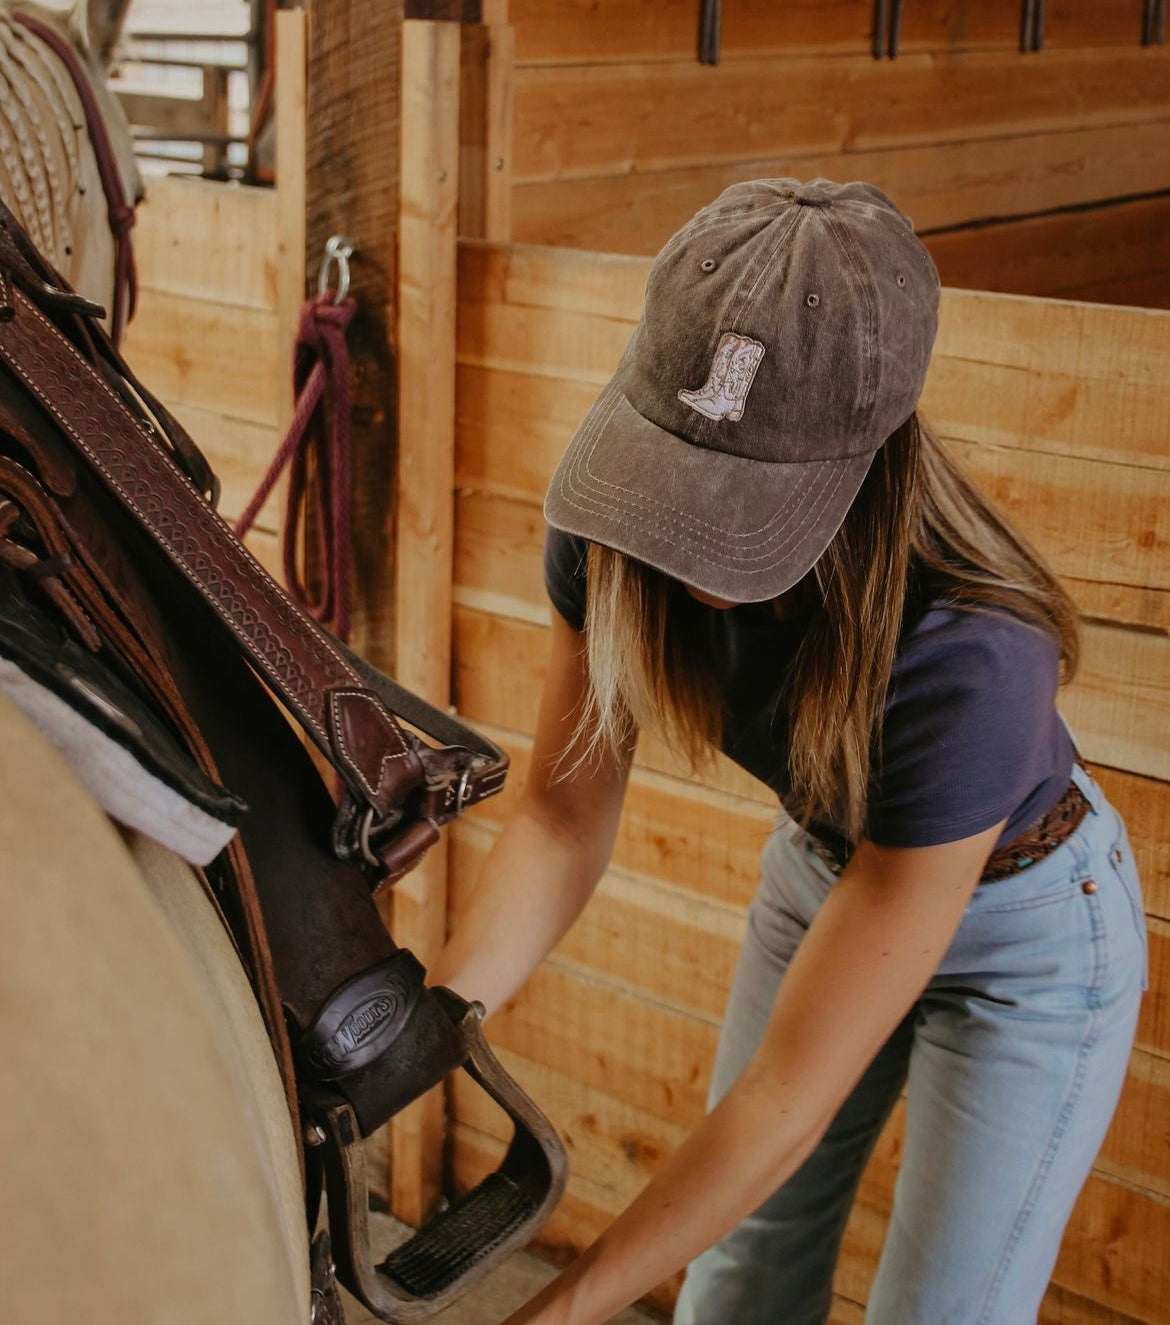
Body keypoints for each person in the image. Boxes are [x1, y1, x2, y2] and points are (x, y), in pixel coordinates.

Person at [430, 179, 1149, 1325]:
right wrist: (427, 1027)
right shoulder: (608, 522)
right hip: (827, 869)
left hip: (1025, 931)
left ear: (864, 460)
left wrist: (561, 1309)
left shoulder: (972, 656)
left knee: (943, 1310)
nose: (680, 531)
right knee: (740, 1289)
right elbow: (561, 820)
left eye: (738, 499)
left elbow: (783, 1102)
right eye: (676, 477)